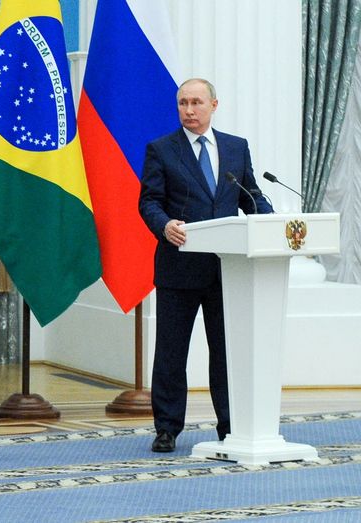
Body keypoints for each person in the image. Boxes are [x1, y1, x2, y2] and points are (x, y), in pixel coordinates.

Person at [138, 78, 273, 453]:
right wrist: (164, 225)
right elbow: (148, 201)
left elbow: (251, 196)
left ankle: (230, 425)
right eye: (182, 103)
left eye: (196, 102)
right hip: (178, 268)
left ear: (214, 105)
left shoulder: (235, 147)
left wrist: (272, 223)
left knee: (225, 352)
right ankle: (167, 428)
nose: (189, 110)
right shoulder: (162, 150)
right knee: (170, 353)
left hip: (226, 271)